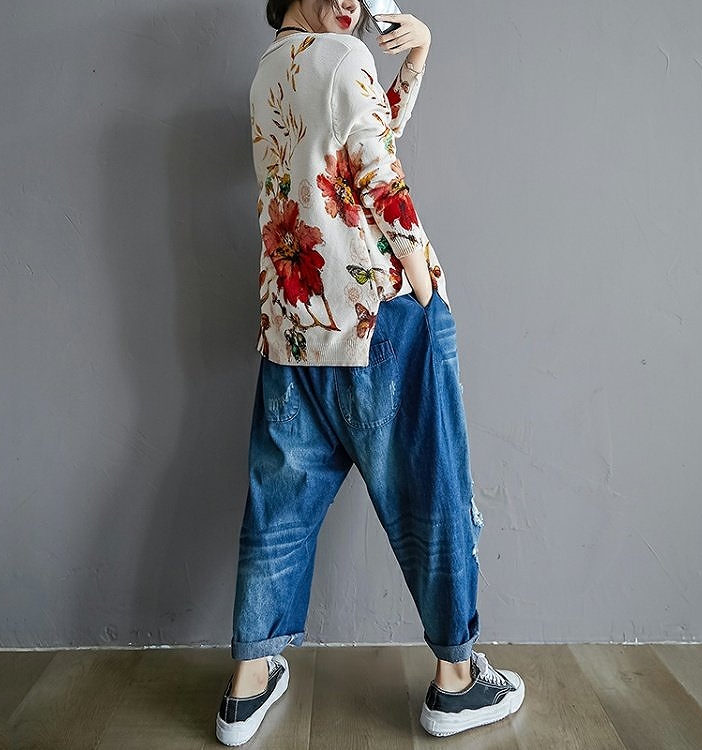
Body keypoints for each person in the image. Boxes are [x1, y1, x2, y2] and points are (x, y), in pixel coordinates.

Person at [215, 0, 525, 745]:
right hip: (377, 317)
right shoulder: (344, 58)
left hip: (293, 328)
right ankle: (457, 683)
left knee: (279, 511)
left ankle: (245, 690)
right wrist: (424, 285)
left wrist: (415, 57)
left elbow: (358, 143)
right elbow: (378, 172)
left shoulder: (267, 74)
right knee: (430, 491)